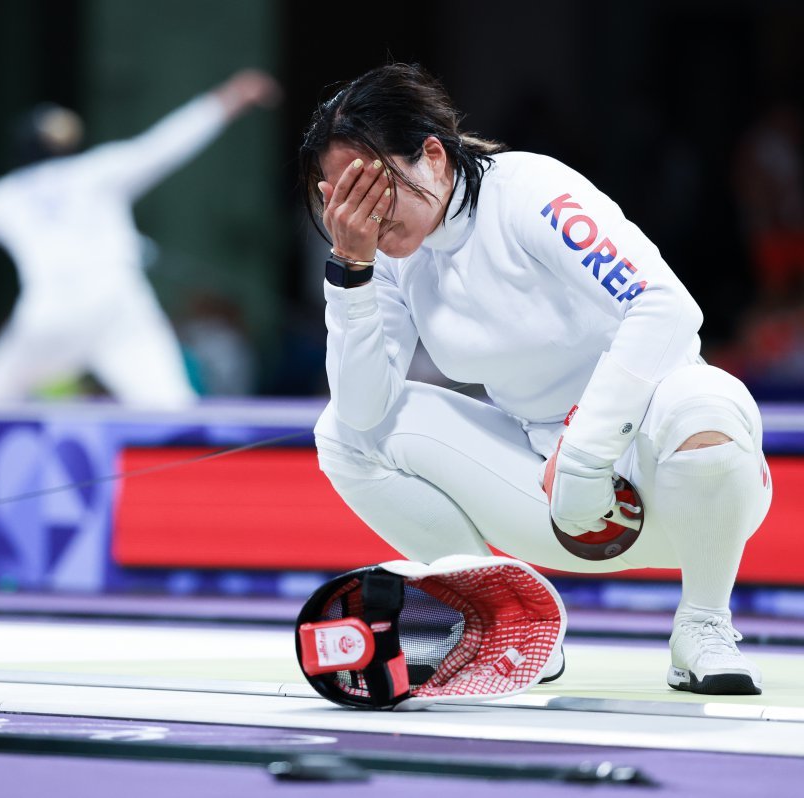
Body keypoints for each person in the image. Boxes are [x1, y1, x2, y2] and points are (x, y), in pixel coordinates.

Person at [300, 64, 773, 695]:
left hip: (678, 474)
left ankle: (705, 625)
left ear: (432, 156)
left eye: (373, 187)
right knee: (343, 434)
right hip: (544, 492)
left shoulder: (530, 190)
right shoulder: (382, 258)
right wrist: (351, 274)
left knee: (708, 402)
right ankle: (510, 621)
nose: (366, 217)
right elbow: (363, 411)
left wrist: (587, 455)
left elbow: (667, 307)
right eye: (344, 197)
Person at [0, 69, 281, 409]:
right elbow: (164, 145)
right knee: (171, 409)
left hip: (51, 314)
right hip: (117, 305)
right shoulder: (96, 170)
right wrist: (230, 96)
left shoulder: (11, 194)